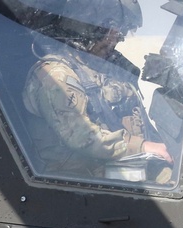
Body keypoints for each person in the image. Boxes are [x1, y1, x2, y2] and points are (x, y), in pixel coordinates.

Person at [20, 0, 174, 182]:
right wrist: (142, 147)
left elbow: (136, 117)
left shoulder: (103, 69)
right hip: (77, 184)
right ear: (96, 27)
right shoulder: (55, 75)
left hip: (119, 170)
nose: (117, 40)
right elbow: (80, 135)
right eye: (115, 32)